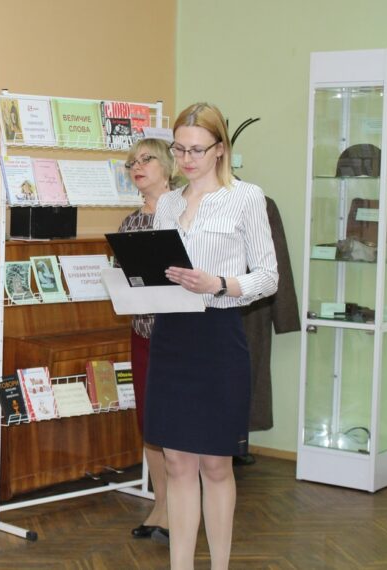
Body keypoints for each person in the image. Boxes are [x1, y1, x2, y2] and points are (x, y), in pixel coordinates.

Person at [144, 102, 278, 570]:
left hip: (219, 335)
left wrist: (219, 283)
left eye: (196, 149)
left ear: (220, 149)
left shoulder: (246, 197)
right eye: (179, 149)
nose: (186, 159)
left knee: (216, 465)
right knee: (177, 462)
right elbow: (158, 271)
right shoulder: (167, 203)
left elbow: (269, 277)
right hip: (171, 335)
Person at [117, 138, 174, 544]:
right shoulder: (129, 224)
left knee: (176, 424)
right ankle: (162, 504)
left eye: (146, 159)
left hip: (180, 335)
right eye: (131, 162)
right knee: (150, 423)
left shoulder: (187, 214)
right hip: (143, 332)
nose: (137, 167)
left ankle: (179, 507)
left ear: (169, 166)